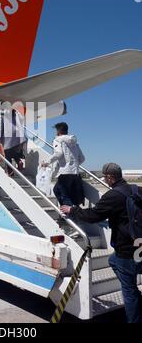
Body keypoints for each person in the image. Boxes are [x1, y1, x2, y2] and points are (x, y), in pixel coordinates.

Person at [61, 163, 142, 324]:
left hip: (126, 250)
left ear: (110, 177)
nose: (105, 179)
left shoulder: (113, 196)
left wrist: (72, 211)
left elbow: (94, 215)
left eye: (105, 177)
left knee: (129, 290)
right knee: (112, 261)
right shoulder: (136, 189)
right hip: (139, 245)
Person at [43, 122, 85, 206]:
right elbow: (82, 159)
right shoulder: (75, 143)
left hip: (65, 172)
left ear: (58, 131)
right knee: (56, 190)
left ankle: (70, 216)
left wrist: (46, 162)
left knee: (64, 196)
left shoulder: (58, 140)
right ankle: (67, 212)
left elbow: (59, 153)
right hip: (75, 173)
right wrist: (74, 165)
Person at [0, 103, 27, 176]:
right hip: (16, 135)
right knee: (12, 152)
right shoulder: (14, 112)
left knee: (7, 154)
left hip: (7, 135)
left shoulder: (0, 114)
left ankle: (10, 171)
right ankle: (19, 161)